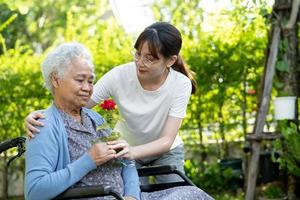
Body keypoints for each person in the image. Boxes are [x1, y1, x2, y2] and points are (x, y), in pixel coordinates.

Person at [25, 42, 213, 200]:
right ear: (56, 80)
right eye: (80, 80)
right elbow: (34, 191)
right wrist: (88, 160)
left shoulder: (95, 118)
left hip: (127, 197)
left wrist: (132, 196)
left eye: (90, 81)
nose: (87, 88)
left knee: (193, 193)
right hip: (100, 196)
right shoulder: (44, 125)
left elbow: (127, 162)